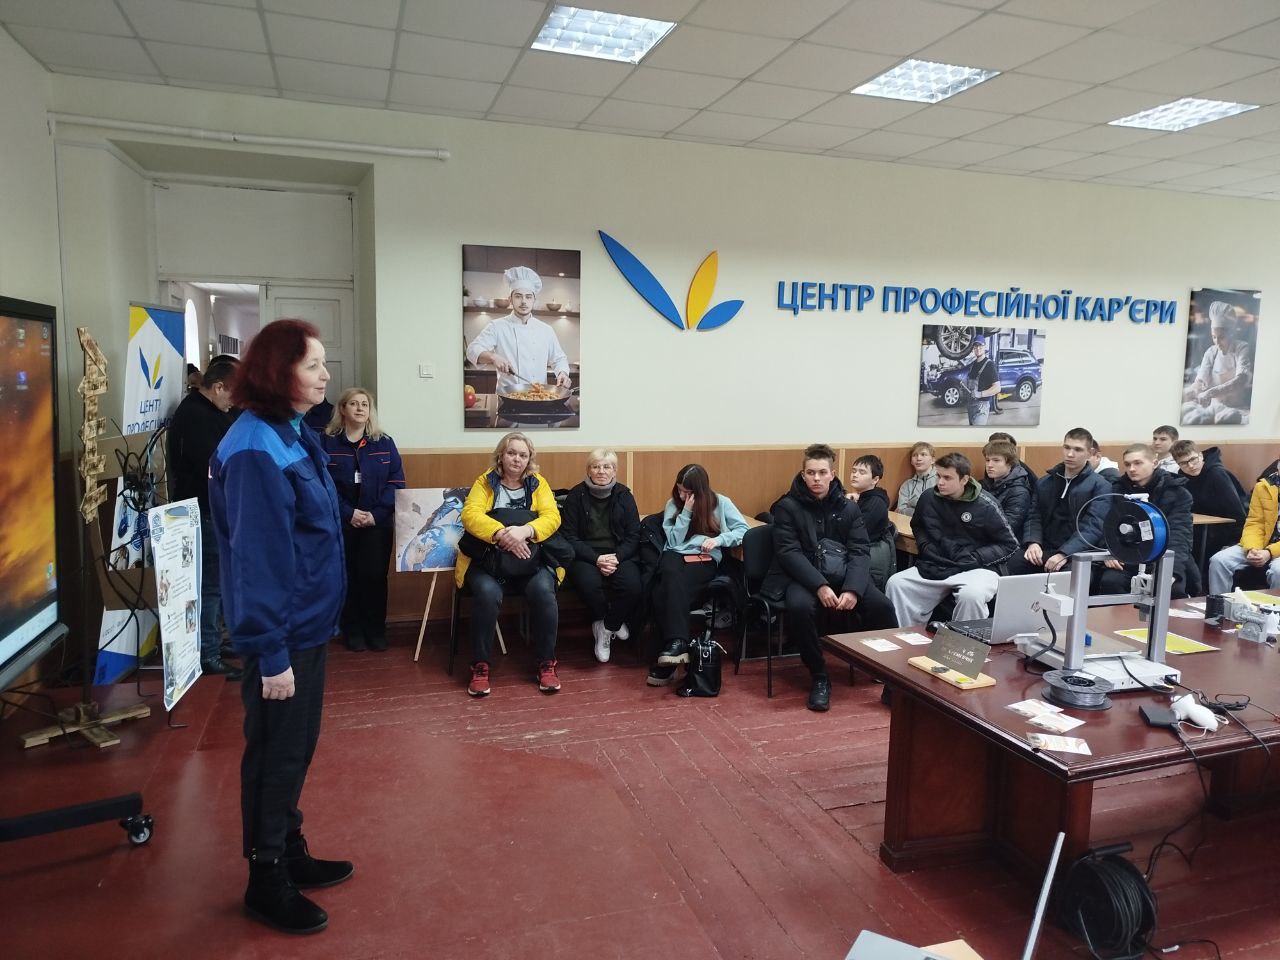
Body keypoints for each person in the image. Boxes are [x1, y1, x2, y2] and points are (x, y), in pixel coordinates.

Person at [209, 319, 351, 935]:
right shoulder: (253, 449)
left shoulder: (291, 431)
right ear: (278, 372)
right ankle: (265, 878)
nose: (325, 375)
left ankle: (289, 849)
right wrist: (270, 653)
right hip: (283, 637)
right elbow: (258, 561)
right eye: (313, 365)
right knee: (276, 753)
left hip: (308, 627)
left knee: (296, 749)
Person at [763, 445, 897, 711]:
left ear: (832, 474)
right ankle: (819, 676)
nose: (816, 478)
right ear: (803, 474)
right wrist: (819, 586)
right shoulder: (788, 507)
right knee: (800, 607)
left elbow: (860, 550)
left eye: (822, 472)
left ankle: (894, 680)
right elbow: (789, 553)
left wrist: (853, 589)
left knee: (882, 606)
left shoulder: (848, 507)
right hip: (803, 576)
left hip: (845, 574)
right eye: (811, 473)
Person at [456, 431, 563, 697]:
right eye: (511, 453)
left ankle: (546, 663)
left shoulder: (538, 483)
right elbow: (470, 515)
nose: (517, 459)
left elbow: (552, 517)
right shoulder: (485, 482)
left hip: (530, 559)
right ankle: (480, 666)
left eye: (523, 455)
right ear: (501, 455)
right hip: (488, 560)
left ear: (529, 459)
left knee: (544, 591)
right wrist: (503, 534)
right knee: (487, 593)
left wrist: (525, 531)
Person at [168, 356, 241, 679]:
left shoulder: (212, 411)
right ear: (218, 387)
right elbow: (213, 466)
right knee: (210, 584)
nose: (235, 403)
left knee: (219, 582)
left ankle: (219, 641)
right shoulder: (195, 416)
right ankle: (207, 653)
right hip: (203, 510)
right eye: (233, 395)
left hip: (216, 509)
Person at [886, 453, 1017, 627]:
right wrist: (925, 545)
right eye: (938, 476)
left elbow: (1009, 544)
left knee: (971, 595)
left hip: (977, 567)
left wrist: (976, 557)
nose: (940, 482)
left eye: (947, 478)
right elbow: (918, 526)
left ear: (964, 480)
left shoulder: (985, 504)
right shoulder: (928, 497)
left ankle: (964, 641)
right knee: (897, 583)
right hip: (937, 563)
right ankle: (905, 637)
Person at [321, 388, 405, 653]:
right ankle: (353, 630)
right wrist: (348, 513)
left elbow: (396, 482)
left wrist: (375, 515)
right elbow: (323, 486)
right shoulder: (327, 442)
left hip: (376, 524)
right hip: (342, 523)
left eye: (365, 404)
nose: (360, 408)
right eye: (354, 404)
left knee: (374, 578)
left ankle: (375, 630)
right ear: (343, 409)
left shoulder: (384, 442)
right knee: (348, 577)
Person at [650, 464, 749, 687]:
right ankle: (678, 643)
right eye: (680, 490)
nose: (682, 496)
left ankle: (671, 657)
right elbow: (673, 542)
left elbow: (743, 530)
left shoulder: (721, 503)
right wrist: (686, 511)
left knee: (662, 592)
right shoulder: (673, 504)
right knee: (668, 575)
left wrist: (719, 540)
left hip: (703, 558)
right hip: (675, 555)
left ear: (701, 491)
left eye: (688, 492)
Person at [560, 449, 642, 664]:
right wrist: (597, 559)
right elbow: (569, 536)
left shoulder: (624, 495)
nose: (601, 471)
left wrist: (616, 557)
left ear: (615, 471)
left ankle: (606, 626)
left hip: (618, 555)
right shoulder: (576, 496)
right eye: (596, 466)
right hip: (586, 555)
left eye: (607, 467)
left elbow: (634, 535)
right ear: (588, 470)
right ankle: (604, 621)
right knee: (588, 584)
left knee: (633, 586)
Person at [1097, 444, 1193, 597]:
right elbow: (1106, 524)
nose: (1132, 469)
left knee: (1171, 589)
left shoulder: (1177, 492)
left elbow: (1180, 534)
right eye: (1127, 464)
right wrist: (1108, 550)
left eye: (1138, 463)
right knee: (1111, 582)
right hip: (1126, 557)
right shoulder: (1116, 490)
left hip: (1163, 556)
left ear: (1154, 463)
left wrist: (1172, 571)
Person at [1013, 428, 1111, 575]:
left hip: (1077, 554)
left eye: (1077, 449)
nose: (1070, 454)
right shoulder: (1045, 482)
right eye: (1067, 447)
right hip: (1044, 548)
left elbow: (1092, 527)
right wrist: (1033, 542)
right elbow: (1033, 515)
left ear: (1089, 453)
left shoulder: (1101, 486)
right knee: (1010, 564)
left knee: (1069, 578)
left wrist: (1064, 554)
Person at [465, 266, 570, 394]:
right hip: (507, 398)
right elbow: (472, 350)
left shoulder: (546, 330)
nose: (524, 301)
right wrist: (493, 357)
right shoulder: (497, 326)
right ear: (510, 299)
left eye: (528, 297)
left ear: (534, 300)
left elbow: (559, 359)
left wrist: (563, 373)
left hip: (539, 397)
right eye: (518, 296)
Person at [1208, 465, 1280, 593]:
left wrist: (1269, 552)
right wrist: (1252, 548)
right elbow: (1255, 522)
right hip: (1262, 543)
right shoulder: (1263, 486)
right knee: (1219, 560)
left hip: (1274, 549)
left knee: (1277, 570)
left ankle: (1274, 606)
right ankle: (1218, 604)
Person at [1182, 301, 1253, 425]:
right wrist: (1188, 392)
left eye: (1221, 337)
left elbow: (1241, 380)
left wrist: (1210, 393)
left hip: (1239, 408)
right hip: (1215, 408)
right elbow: (1200, 382)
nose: (1217, 342)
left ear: (1231, 333)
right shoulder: (1211, 352)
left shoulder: (1242, 348)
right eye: (1214, 337)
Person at [848, 453, 896, 590]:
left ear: (875, 479)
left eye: (862, 472)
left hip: (868, 558)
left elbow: (857, 534)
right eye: (854, 471)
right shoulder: (862, 497)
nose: (855, 475)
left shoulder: (875, 503)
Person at [980, 440, 1034, 543]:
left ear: (1009, 463)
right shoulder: (984, 485)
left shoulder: (1019, 492)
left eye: (996, 460)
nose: (989, 465)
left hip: (1008, 544)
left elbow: (1006, 529)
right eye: (987, 460)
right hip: (986, 538)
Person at [964, 337, 1000, 426]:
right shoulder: (973, 365)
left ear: (984, 347)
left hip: (981, 407)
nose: (978, 348)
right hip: (971, 406)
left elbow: (997, 388)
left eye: (980, 345)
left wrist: (980, 394)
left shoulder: (989, 364)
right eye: (975, 346)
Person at [896, 441, 937, 516]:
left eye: (923, 454)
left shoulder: (941, 480)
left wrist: (913, 508)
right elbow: (900, 511)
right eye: (915, 455)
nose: (918, 458)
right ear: (911, 461)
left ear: (933, 460)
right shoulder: (907, 485)